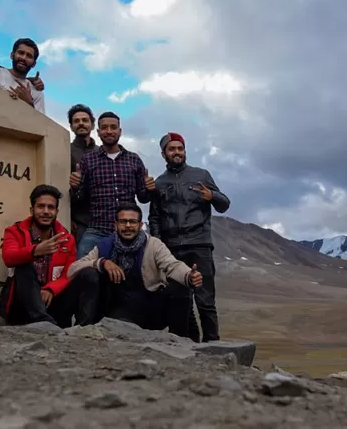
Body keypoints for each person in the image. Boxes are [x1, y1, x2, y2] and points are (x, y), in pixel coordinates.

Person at [149, 132, 231, 342]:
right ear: (164, 154)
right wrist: (158, 246)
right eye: (172, 149)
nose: (176, 152)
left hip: (199, 244)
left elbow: (224, 204)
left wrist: (212, 196)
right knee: (179, 301)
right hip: (172, 249)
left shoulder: (201, 175)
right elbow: (155, 217)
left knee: (205, 300)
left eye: (180, 149)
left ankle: (213, 345)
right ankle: (185, 345)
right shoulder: (159, 183)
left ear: (185, 151)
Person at [68, 203, 202, 329]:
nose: (127, 226)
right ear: (115, 225)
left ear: (140, 225)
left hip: (149, 306)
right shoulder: (105, 246)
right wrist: (102, 263)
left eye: (132, 222)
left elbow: (172, 265)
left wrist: (189, 275)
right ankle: (84, 330)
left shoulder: (153, 244)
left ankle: (178, 340)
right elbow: (73, 269)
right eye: (123, 221)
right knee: (89, 273)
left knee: (181, 287)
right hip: (116, 309)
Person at [0, 185, 95, 327]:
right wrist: (35, 251)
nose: (46, 211)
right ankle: (42, 322)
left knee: (89, 274)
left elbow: (68, 273)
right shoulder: (15, 231)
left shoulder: (66, 238)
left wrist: (51, 289)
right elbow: (8, 257)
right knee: (23, 266)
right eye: (40, 206)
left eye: (51, 207)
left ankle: (83, 329)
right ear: (32, 210)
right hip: (23, 306)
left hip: (53, 304)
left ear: (56, 211)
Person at [70, 111, 155, 258]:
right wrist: (76, 186)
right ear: (98, 132)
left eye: (113, 127)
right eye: (104, 128)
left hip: (128, 230)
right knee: (81, 265)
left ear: (120, 131)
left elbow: (143, 198)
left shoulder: (134, 160)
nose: (109, 131)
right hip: (97, 229)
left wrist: (150, 189)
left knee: (142, 266)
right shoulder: (88, 160)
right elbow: (80, 197)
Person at [0, 38, 45, 113]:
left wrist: (28, 103)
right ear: (12, 55)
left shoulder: (37, 93)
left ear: (34, 64)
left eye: (29, 56)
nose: (23, 58)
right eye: (21, 53)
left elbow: (39, 120)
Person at [66, 104, 98, 241]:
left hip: (103, 221)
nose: (81, 123)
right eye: (76, 121)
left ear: (92, 125)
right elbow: (59, 187)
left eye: (85, 120)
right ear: (71, 126)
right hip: (78, 223)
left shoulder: (101, 152)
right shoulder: (64, 150)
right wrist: (67, 218)